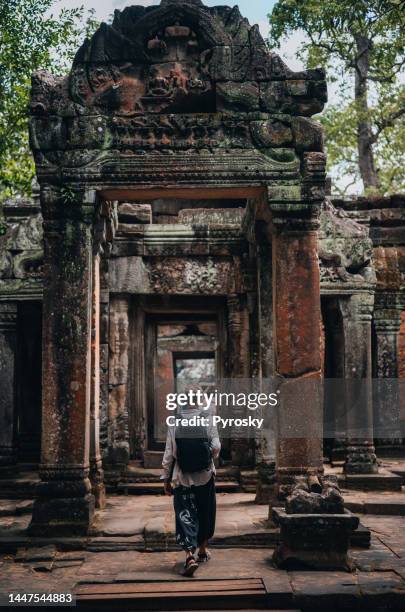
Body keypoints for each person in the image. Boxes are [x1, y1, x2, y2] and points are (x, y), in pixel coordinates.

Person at [161, 397, 221, 577]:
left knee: (185, 514)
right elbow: (216, 447)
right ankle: (202, 550)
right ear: (200, 401)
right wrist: (206, 455)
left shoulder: (175, 421)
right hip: (205, 475)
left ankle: (189, 556)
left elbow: (169, 454)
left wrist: (165, 479)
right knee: (205, 511)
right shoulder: (208, 419)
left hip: (182, 477)